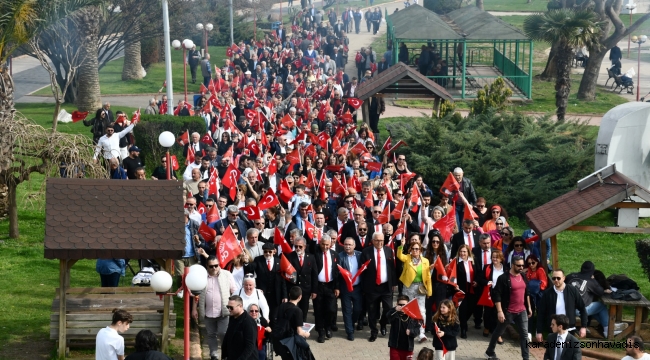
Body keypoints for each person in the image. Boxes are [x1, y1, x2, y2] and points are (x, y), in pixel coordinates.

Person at [484, 256, 532, 360]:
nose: (521, 267)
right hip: (508, 311)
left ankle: (526, 357)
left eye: (522, 265)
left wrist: (529, 307)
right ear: (512, 265)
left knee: (524, 335)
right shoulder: (504, 278)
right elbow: (497, 295)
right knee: (498, 332)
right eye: (518, 265)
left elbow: (527, 292)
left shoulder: (523, 276)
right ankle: (490, 351)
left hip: (522, 310)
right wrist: (500, 311)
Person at [192, 256, 237, 360]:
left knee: (223, 333)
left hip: (224, 312)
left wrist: (235, 307)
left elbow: (234, 291)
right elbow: (196, 295)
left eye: (216, 265)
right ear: (207, 266)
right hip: (208, 313)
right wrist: (194, 309)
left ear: (219, 265)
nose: (214, 268)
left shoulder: (227, 274)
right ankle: (214, 355)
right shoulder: (202, 276)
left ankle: (225, 354)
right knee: (211, 335)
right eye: (211, 266)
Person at [361, 232, 397, 342]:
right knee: (372, 311)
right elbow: (362, 270)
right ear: (372, 241)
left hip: (386, 286)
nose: (380, 242)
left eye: (381, 240)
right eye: (377, 240)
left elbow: (392, 268)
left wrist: (393, 283)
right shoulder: (366, 252)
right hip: (372, 287)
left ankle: (383, 323)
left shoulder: (388, 251)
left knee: (388, 308)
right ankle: (373, 332)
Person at [396, 235, 431, 342]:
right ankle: (408, 330)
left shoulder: (425, 261)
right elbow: (399, 256)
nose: (415, 250)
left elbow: (428, 276)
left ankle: (421, 333)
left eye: (417, 249)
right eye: (413, 248)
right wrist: (401, 246)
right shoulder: (407, 258)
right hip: (408, 287)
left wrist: (429, 291)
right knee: (408, 309)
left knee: (422, 311)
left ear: (420, 250)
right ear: (410, 250)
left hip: (420, 288)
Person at [536, 269, 588, 342]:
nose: (556, 280)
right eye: (554, 278)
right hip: (553, 330)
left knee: (569, 352)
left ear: (564, 278)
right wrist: (539, 331)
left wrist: (583, 327)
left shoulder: (572, 290)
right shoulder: (547, 293)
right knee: (553, 352)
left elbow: (582, 308)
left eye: (558, 278)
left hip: (569, 329)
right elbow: (541, 313)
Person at [566, 261, 612, 336]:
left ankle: (611, 326)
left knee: (595, 310)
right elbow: (600, 292)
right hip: (578, 310)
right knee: (601, 306)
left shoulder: (570, 276)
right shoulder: (590, 280)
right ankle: (608, 330)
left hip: (566, 307)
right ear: (592, 271)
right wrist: (593, 280)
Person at [476, 250, 507, 343]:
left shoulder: (506, 268)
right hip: (490, 292)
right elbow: (480, 278)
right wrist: (486, 282)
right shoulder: (487, 267)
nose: (494, 259)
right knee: (488, 312)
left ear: (501, 258)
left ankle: (498, 334)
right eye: (493, 257)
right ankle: (487, 327)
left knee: (500, 313)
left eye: (497, 257)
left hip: (502, 294)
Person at [272, 286, 311, 360]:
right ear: (300, 297)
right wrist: (306, 334)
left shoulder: (282, 306)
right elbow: (299, 332)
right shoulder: (298, 311)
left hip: (281, 341)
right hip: (291, 343)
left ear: (289, 294)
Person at [314, 235, 340, 343]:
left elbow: (337, 272)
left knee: (331, 309)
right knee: (319, 310)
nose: (324, 246)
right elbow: (312, 246)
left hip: (330, 286)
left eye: (327, 244)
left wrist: (337, 287)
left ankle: (328, 327)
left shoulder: (334, 254)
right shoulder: (316, 253)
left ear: (330, 244)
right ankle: (320, 332)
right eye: (322, 244)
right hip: (319, 286)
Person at [286, 237, 318, 322]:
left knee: (304, 310)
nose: (298, 248)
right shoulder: (290, 256)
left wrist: (314, 290)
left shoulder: (311, 257)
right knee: (293, 310)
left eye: (300, 246)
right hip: (294, 289)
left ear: (305, 246)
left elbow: (314, 274)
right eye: (296, 246)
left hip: (306, 289)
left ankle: (302, 328)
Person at [338, 237, 364, 340]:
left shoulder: (360, 255)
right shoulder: (340, 256)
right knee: (347, 310)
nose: (347, 246)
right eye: (345, 244)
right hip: (345, 288)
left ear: (354, 245)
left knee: (357, 309)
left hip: (357, 288)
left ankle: (352, 322)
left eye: (349, 245)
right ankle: (349, 331)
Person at [222, 295, 258, 360]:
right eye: (228, 307)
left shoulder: (249, 322)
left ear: (240, 306)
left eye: (231, 307)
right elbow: (228, 337)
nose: (229, 310)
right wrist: (224, 355)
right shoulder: (232, 317)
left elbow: (250, 346)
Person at [387, 295, 421, 360]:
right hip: (395, 347)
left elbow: (417, 331)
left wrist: (411, 332)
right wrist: (394, 309)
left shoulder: (412, 316)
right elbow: (388, 316)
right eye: (400, 304)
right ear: (397, 304)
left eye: (405, 305)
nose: (402, 307)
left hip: (408, 348)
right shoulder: (395, 314)